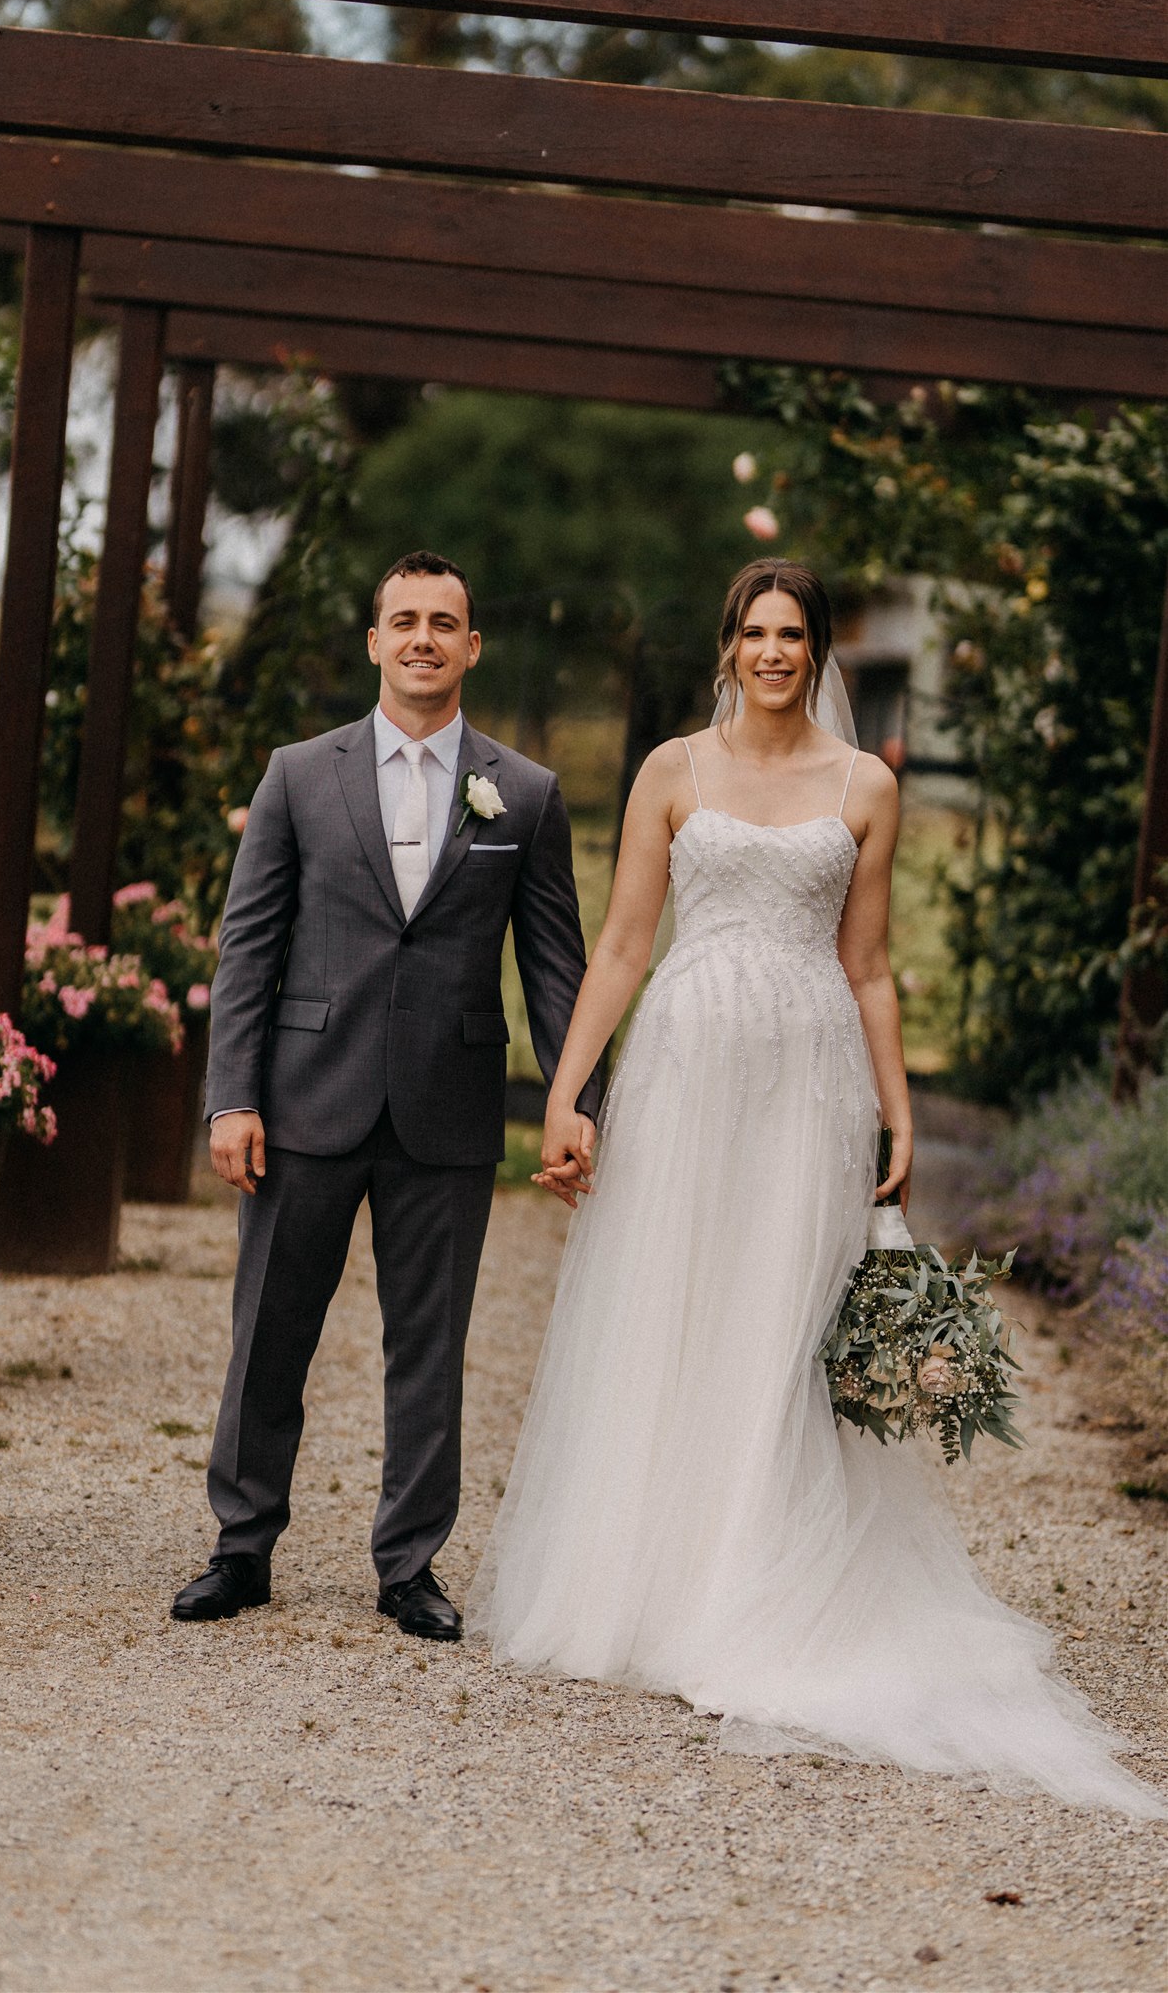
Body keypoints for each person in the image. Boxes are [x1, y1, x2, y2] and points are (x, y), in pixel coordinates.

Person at [469, 557, 1165, 1816]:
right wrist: (571, 1090)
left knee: (783, 1322)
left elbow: (874, 964)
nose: (775, 652)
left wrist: (897, 1106)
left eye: (795, 634)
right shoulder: (672, 770)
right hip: (684, 1068)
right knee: (672, 1305)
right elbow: (625, 941)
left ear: (820, 650)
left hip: (808, 1080)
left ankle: (761, 1582)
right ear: (728, 645)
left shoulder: (867, 784)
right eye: (755, 631)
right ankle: (652, 1581)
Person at [173, 549, 599, 1640]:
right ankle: (241, 1545)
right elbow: (248, 945)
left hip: (449, 1113)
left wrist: (578, 1100)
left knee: (431, 1348)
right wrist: (232, 1096)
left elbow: (556, 969)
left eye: (443, 621)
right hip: (305, 1097)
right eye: (402, 618)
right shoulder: (297, 774)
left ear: (470, 644)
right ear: (374, 641)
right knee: (270, 1331)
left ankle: (408, 1563)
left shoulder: (528, 793)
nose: (422, 637)